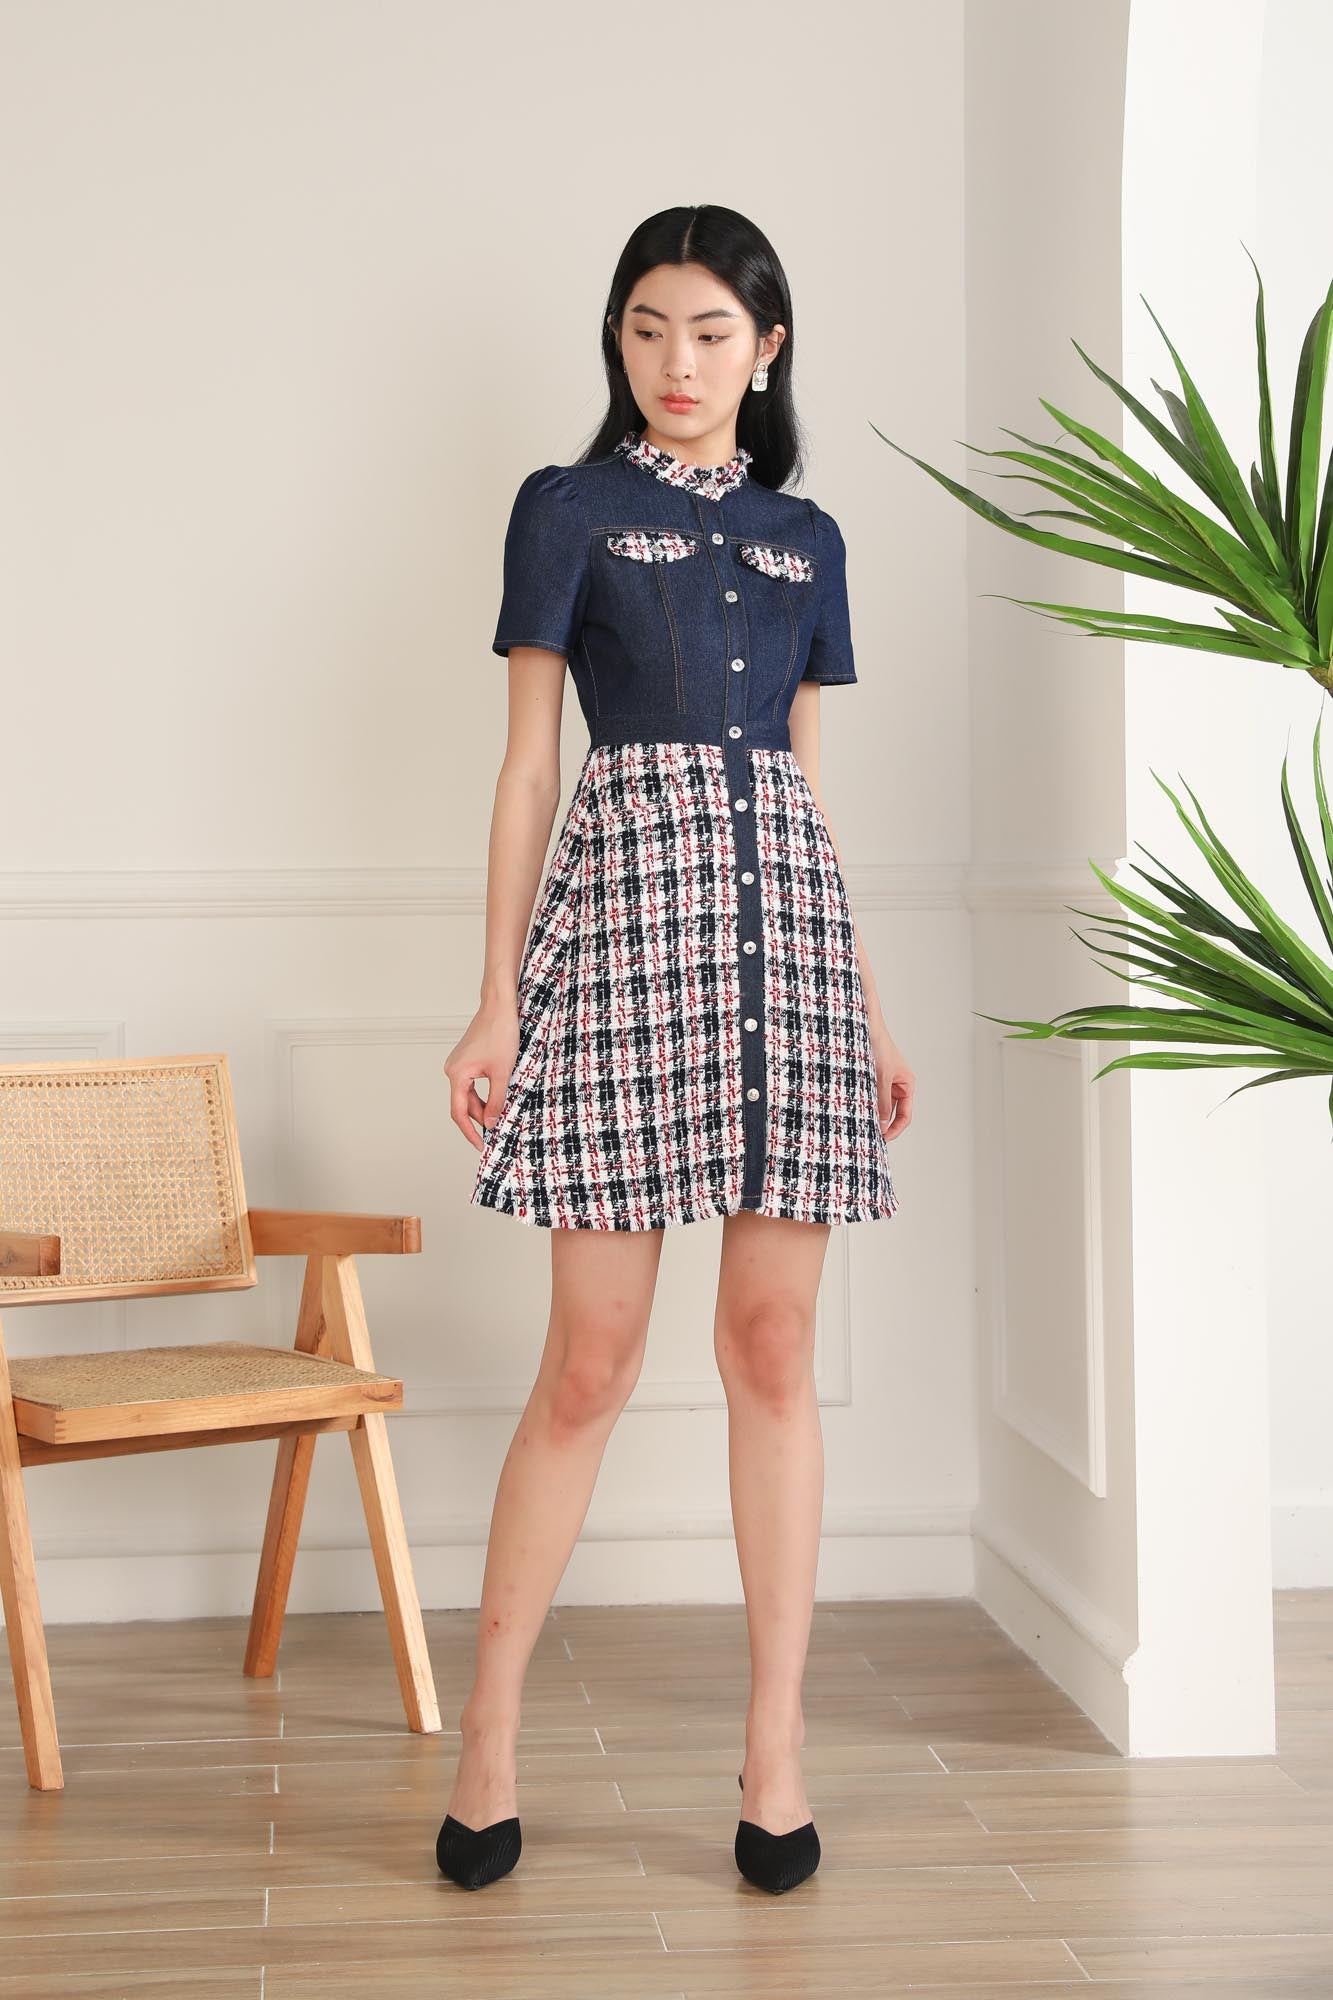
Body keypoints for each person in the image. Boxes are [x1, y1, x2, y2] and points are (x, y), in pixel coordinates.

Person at [438, 204, 915, 1894]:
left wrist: (865, 1003)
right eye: (646, 329)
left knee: (771, 1349)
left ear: (765, 348)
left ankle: (774, 1748)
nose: (676, 362)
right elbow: (527, 767)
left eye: (710, 332)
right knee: (590, 1362)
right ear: (618, 341)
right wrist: (497, 996)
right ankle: (490, 1733)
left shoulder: (807, 537)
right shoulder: (564, 509)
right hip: (623, 931)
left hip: (787, 951)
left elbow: (805, 783)